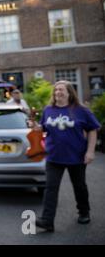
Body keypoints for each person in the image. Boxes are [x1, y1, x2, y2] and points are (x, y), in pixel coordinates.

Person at [32, 80, 100, 232]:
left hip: (76, 157)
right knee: (50, 188)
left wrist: (90, 151)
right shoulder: (48, 110)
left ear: (69, 93)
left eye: (61, 90)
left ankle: (84, 212)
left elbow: (92, 130)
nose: (58, 92)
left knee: (80, 186)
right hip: (54, 157)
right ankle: (47, 221)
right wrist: (37, 127)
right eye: (56, 90)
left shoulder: (81, 110)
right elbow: (44, 128)